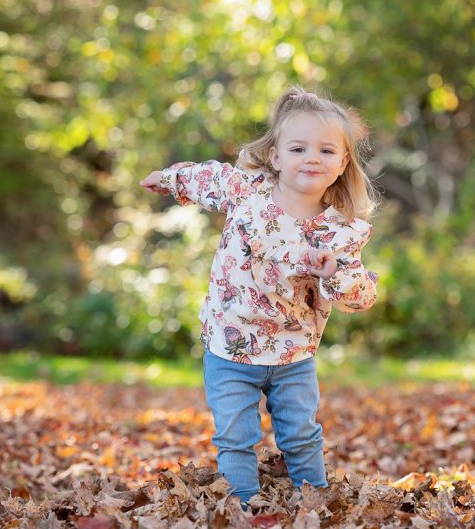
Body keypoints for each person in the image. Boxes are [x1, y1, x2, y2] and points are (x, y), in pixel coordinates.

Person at [139, 86, 379, 505]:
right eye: (299, 147)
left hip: (293, 353)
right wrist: (171, 178)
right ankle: (242, 503)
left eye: (326, 151)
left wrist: (335, 273)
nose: (311, 158)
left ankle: (312, 500)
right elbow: (209, 178)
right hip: (230, 345)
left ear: (342, 163)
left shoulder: (340, 230)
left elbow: (358, 297)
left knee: (301, 434)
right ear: (276, 156)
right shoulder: (248, 191)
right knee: (235, 435)